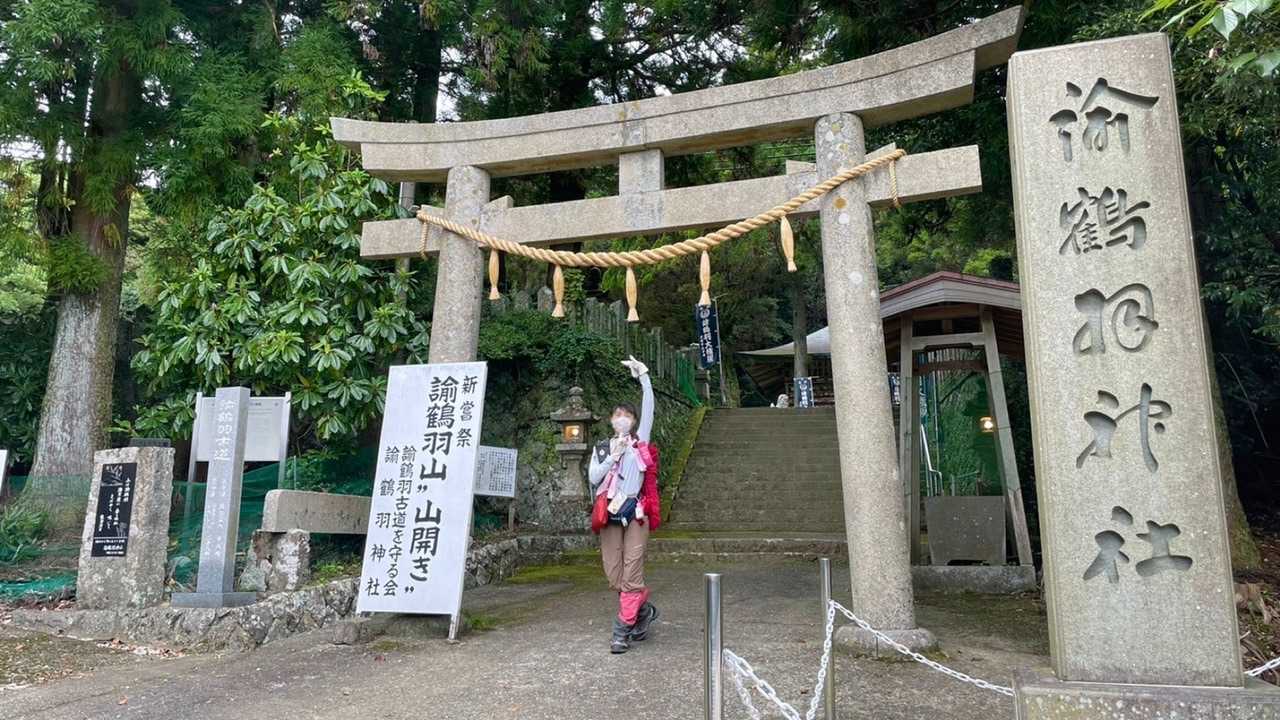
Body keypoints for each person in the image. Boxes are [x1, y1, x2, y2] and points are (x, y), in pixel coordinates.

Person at [589, 355, 661, 654]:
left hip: (636, 512)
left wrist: (644, 377)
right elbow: (593, 477)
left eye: (627, 415)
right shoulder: (602, 447)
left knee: (632, 572)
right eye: (618, 414)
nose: (623, 418)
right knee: (614, 573)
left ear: (633, 422)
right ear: (610, 420)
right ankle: (643, 610)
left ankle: (621, 631)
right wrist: (612, 457)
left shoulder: (639, 441)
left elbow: (650, 408)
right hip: (609, 510)